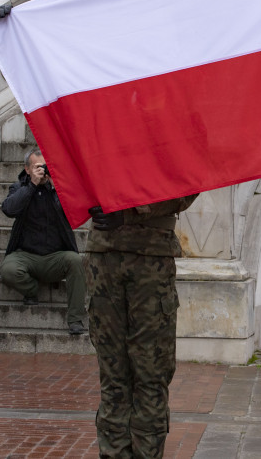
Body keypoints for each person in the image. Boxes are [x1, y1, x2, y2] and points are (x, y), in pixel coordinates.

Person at [86, 194, 198, 459]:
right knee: (113, 374)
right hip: (103, 255)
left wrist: (129, 211)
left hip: (151, 258)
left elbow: (188, 185)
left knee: (150, 371)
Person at [0, 148, 86, 335]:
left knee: (76, 261)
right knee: (8, 269)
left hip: (55, 255)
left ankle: (76, 318)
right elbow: (8, 209)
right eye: (37, 167)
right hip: (26, 254)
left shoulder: (58, 188)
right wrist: (32, 186)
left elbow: (76, 210)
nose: (42, 170)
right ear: (27, 169)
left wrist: (56, 185)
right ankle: (32, 289)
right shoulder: (19, 187)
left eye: (45, 166)